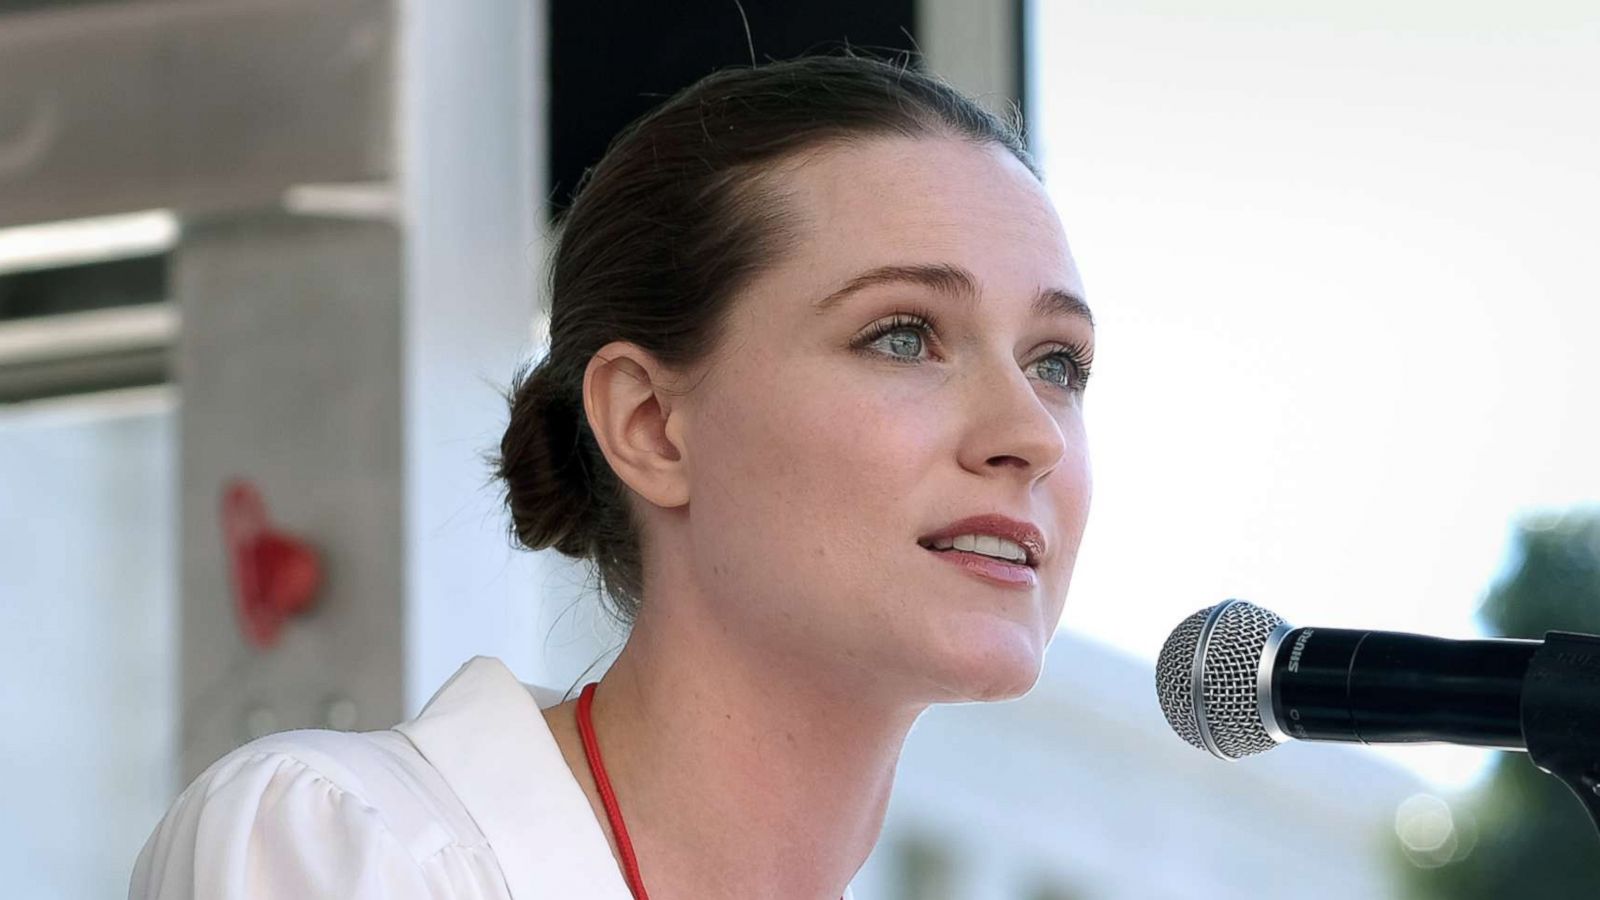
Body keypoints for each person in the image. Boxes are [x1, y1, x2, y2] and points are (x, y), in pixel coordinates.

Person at [129, 50, 1094, 899]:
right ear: (650, 426)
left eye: (1058, 363)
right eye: (901, 336)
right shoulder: (352, 848)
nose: (1031, 433)